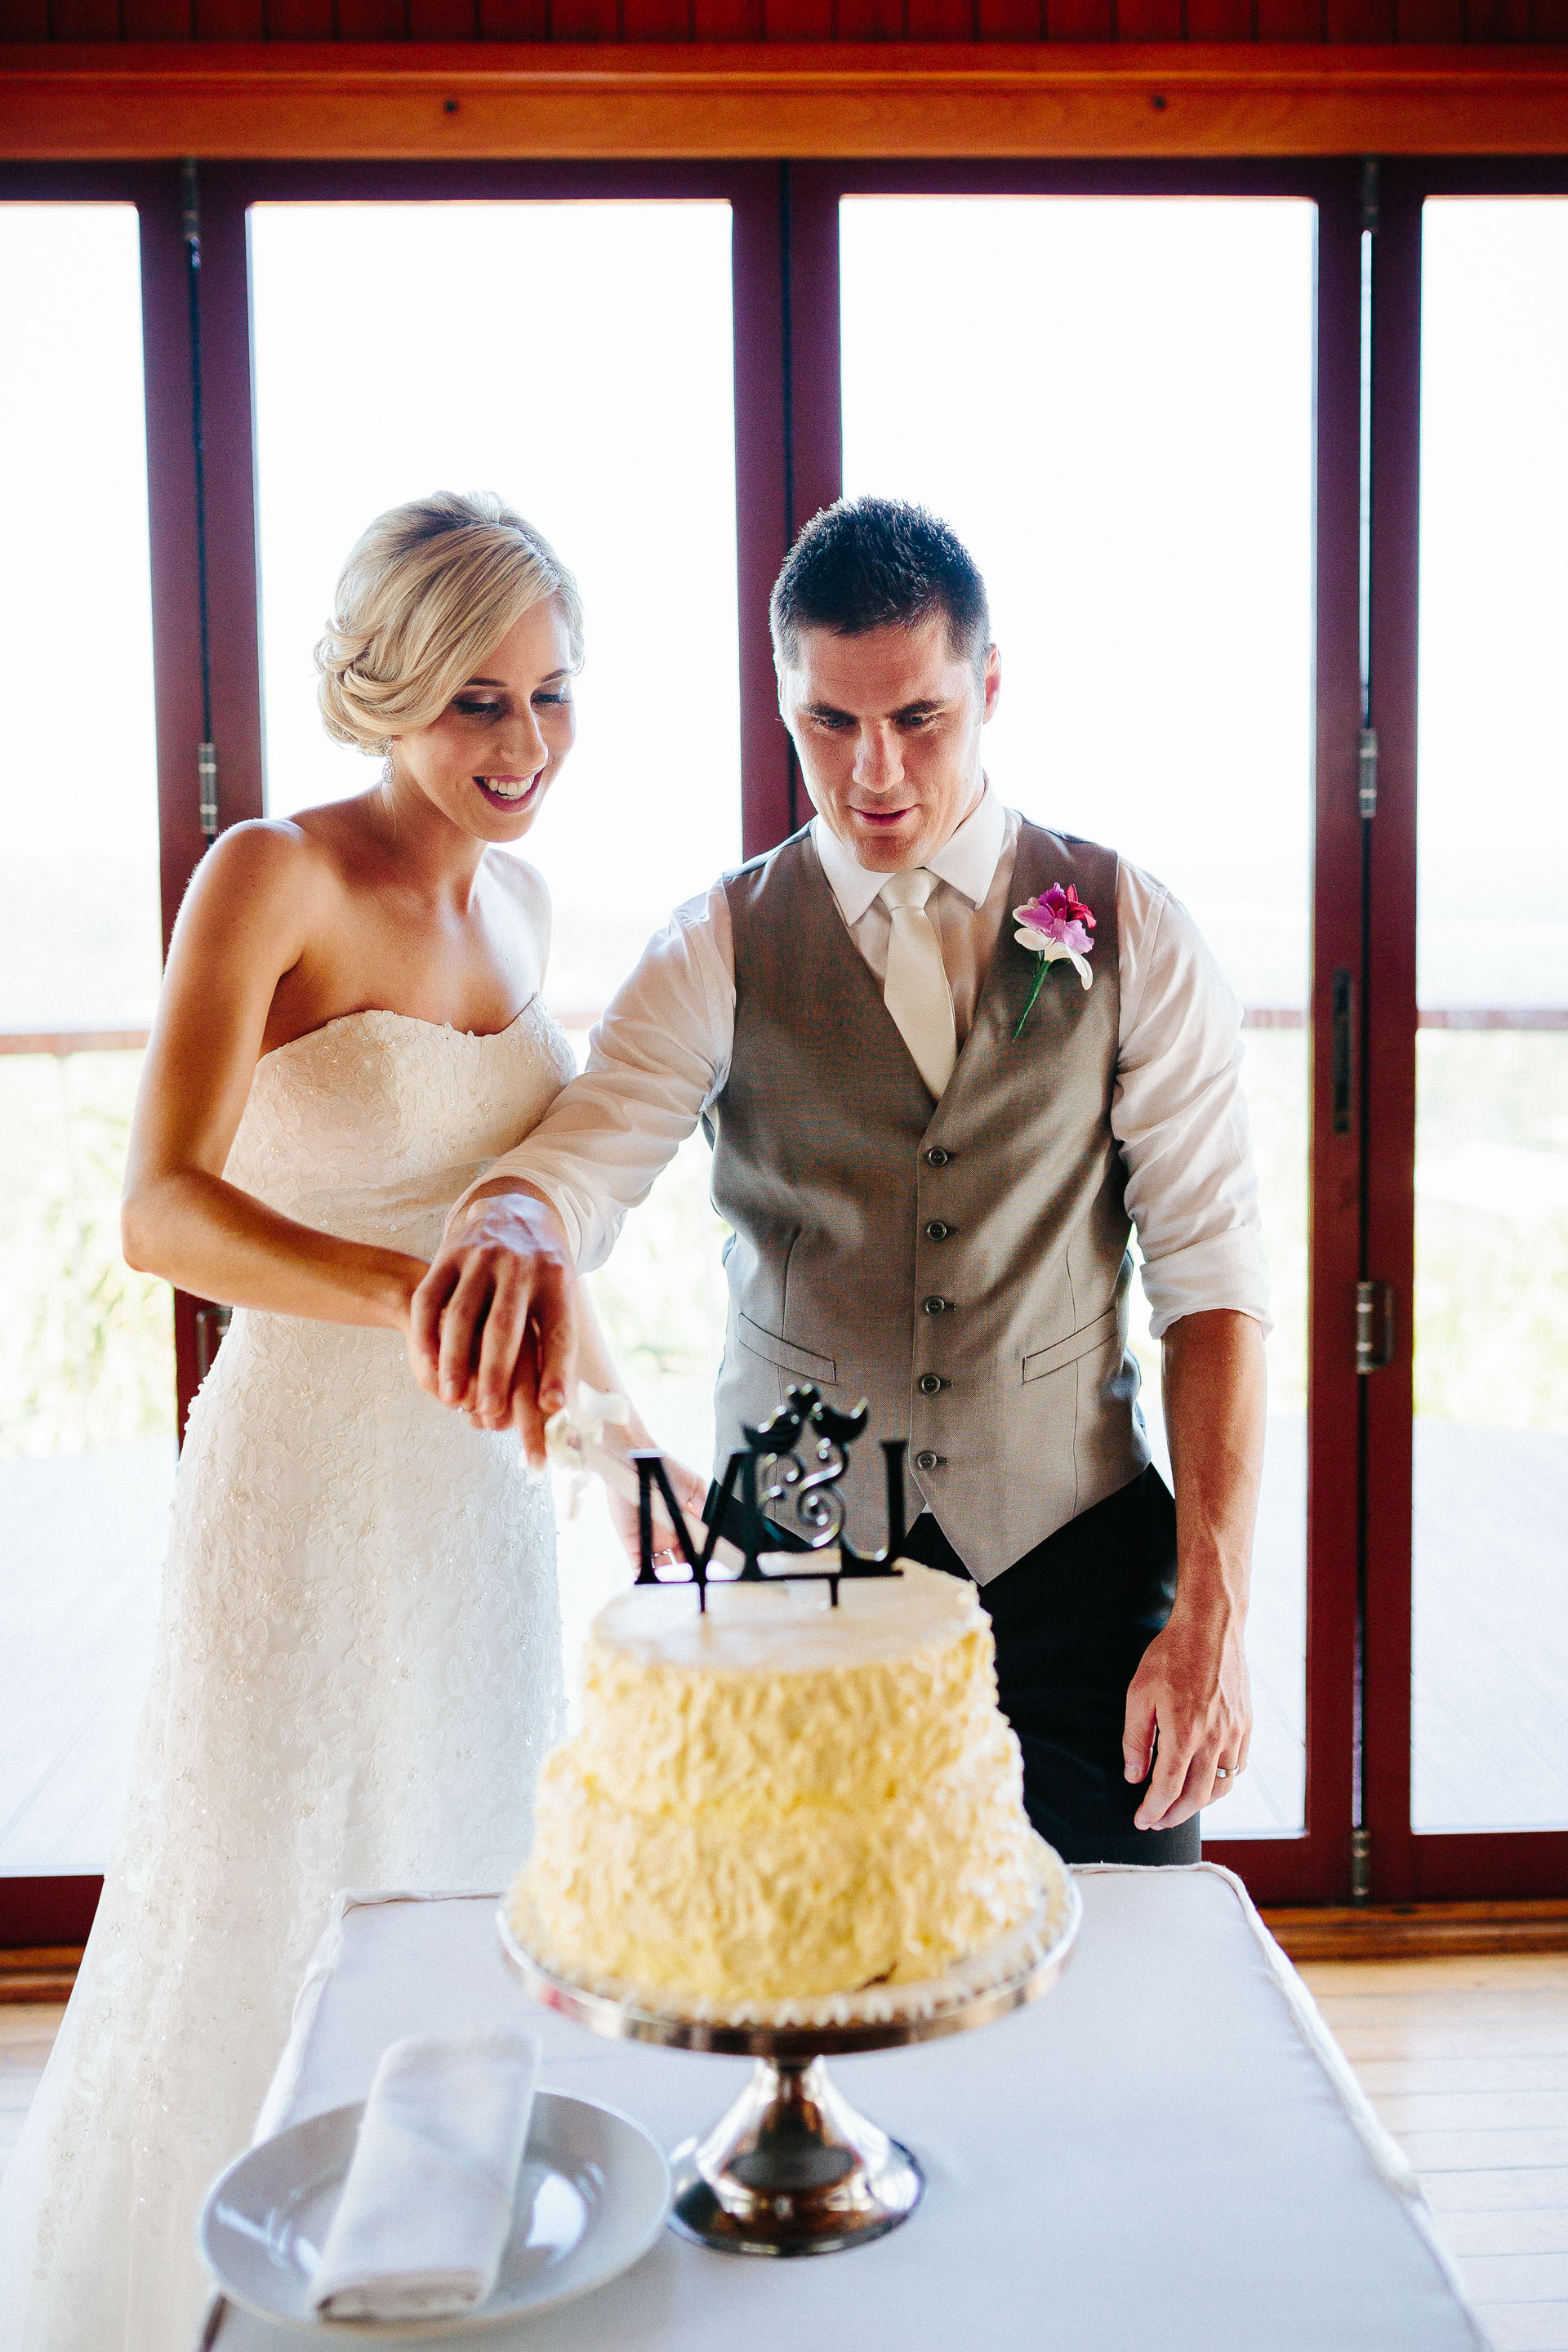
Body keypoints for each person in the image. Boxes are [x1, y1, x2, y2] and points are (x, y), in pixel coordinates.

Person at [0, 492, 691, 2352]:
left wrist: (625, 1452)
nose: (525, 748)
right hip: (305, 1469)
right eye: (479, 702)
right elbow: (156, 1210)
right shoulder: (269, 875)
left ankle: (437, 2269)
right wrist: (417, 1300)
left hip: (472, 1500)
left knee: (459, 1871)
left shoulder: (528, 901)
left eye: (554, 698)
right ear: (383, 689)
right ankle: (187, 2304)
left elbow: (528, 1231)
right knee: (271, 1881)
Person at [414, 495, 1268, 1866]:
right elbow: (585, 1156)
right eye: (830, 723)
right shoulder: (716, 945)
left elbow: (1214, 1278)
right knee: (808, 1983)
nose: (873, 772)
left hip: (1082, 1571)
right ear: (782, 703)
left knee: (1114, 2010)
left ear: (988, 690)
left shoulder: (1135, 929)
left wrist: (1213, 1611)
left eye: (918, 719)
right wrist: (518, 1214)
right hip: (794, 1569)